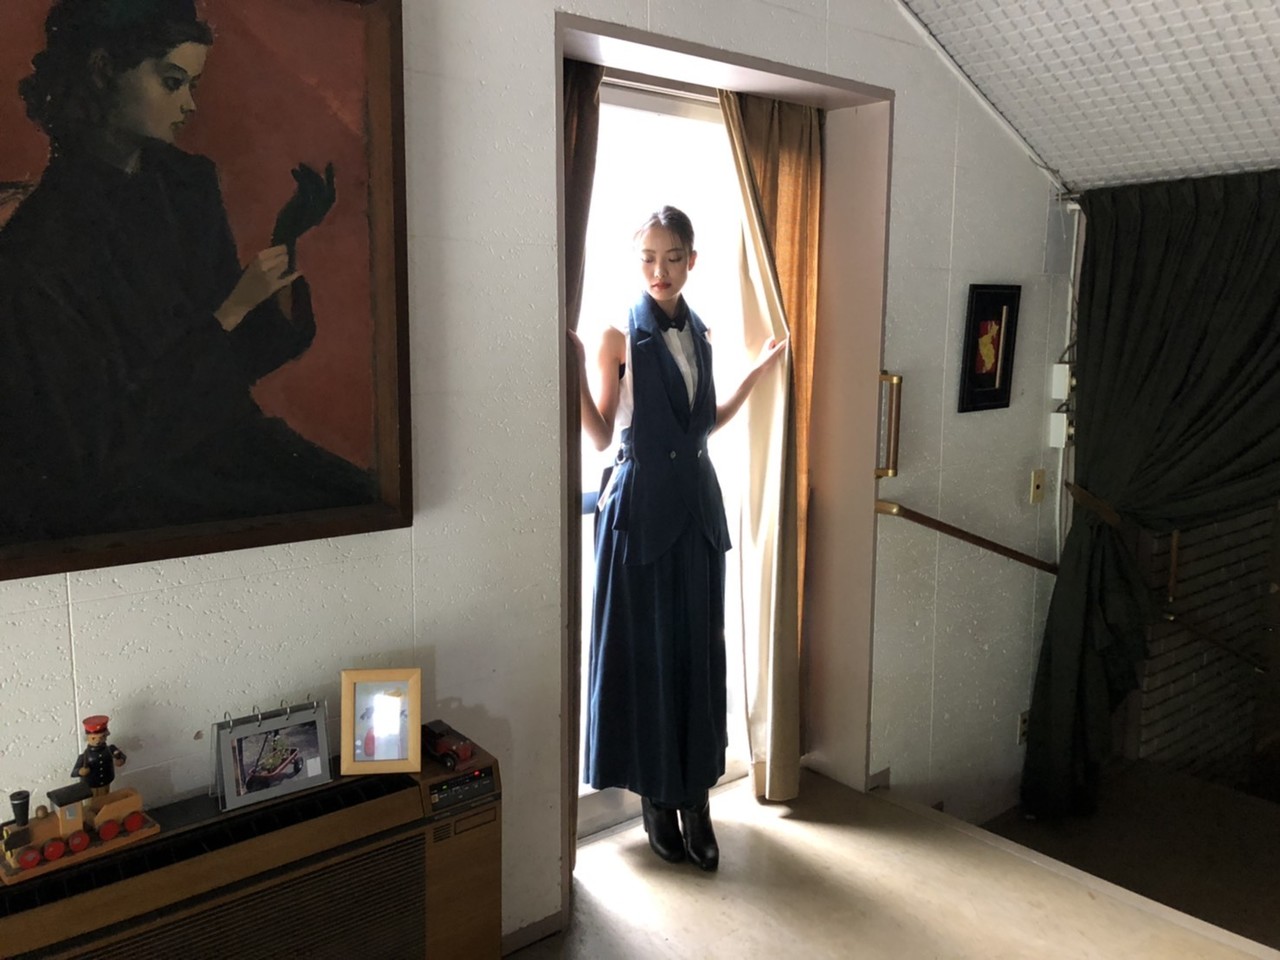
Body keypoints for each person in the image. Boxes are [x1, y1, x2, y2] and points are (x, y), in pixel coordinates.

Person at [0, 0, 374, 546]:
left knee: (363, 496)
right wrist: (230, 311)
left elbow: (238, 359)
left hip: (229, 443)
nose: (191, 104)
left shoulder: (186, 186)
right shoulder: (37, 249)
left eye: (193, 85)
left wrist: (284, 242)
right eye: (172, 82)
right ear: (102, 70)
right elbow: (98, 454)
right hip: (136, 491)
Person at [570, 206, 786, 871]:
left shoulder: (702, 332)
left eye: (671, 258)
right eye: (647, 258)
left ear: (692, 260)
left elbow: (701, 425)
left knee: (698, 655)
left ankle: (697, 801)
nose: (659, 271)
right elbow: (600, 436)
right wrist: (572, 368)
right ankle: (658, 803)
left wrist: (755, 374)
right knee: (650, 658)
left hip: (697, 510)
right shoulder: (616, 336)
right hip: (639, 513)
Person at [72, 715, 126, 796]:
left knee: (106, 797)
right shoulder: (85, 755)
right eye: (93, 738)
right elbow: (74, 772)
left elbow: (122, 756)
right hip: (90, 785)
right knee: (93, 801)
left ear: (106, 736)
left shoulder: (110, 749)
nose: (98, 741)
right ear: (87, 738)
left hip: (106, 782)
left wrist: (120, 760)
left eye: (101, 737)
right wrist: (80, 771)